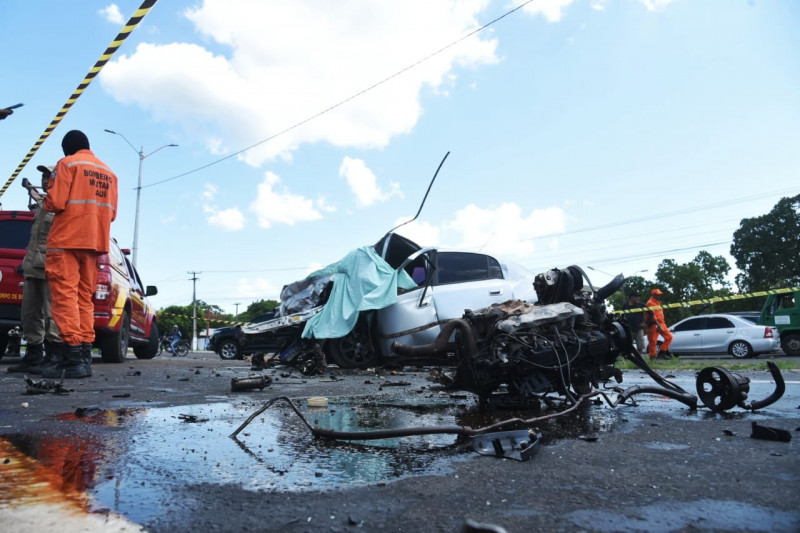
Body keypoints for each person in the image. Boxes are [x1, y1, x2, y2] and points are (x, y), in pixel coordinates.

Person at [41, 130, 118, 379]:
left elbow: (55, 202)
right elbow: (112, 213)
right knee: (85, 299)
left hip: (66, 240)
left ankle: (72, 359)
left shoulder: (67, 164)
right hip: (94, 241)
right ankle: (84, 357)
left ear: (67, 149)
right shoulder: (109, 173)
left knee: (65, 298)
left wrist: (45, 199)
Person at [7, 165, 62, 374]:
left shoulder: (61, 204)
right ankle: (33, 354)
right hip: (32, 266)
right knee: (29, 313)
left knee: (51, 314)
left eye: (48, 175)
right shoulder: (43, 204)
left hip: (51, 265)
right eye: (43, 176)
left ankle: (54, 356)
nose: (45, 178)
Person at [645, 288, 674, 360]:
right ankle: (652, 357)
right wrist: (658, 325)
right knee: (653, 341)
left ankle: (662, 352)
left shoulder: (657, 302)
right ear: (653, 295)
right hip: (653, 324)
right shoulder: (650, 303)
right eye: (657, 295)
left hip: (661, 323)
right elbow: (653, 316)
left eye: (659, 295)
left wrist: (661, 324)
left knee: (669, 337)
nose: (659, 296)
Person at [622, 291, 645, 355]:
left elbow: (651, 313)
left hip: (639, 329)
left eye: (638, 297)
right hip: (629, 329)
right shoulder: (625, 306)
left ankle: (640, 360)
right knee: (628, 346)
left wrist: (646, 323)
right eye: (637, 297)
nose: (638, 298)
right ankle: (628, 361)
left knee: (640, 347)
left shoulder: (641, 305)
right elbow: (622, 315)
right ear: (632, 297)